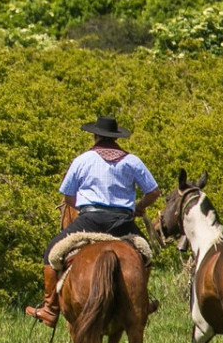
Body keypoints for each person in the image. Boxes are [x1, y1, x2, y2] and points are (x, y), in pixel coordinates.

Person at [24, 115, 161, 327]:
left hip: (90, 221)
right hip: (122, 223)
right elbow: (153, 192)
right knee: (145, 255)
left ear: (96, 136)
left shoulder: (83, 160)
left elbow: (67, 194)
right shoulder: (132, 161)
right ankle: (140, 301)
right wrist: (139, 207)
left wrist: (82, 206)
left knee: (51, 250)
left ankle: (50, 308)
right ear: (116, 138)